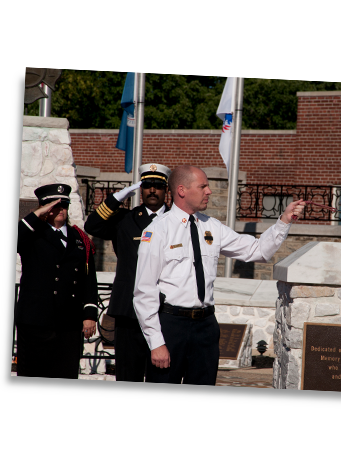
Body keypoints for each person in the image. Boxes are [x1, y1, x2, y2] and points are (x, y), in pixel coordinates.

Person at [133, 165, 305, 386]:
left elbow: (257, 250)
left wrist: (284, 221)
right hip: (170, 326)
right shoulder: (158, 230)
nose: (209, 192)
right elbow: (144, 291)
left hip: (205, 326)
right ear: (182, 190)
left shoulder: (211, 227)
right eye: (202, 186)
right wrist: (156, 342)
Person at [84, 163, 171, 383]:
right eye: (147, 185)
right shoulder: (124, 219)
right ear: (140, 190)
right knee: (127, 374)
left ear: (166, 190)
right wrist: (117, 198)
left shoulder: (177, 220)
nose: (153, 190)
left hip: (166, 310)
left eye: (158, 186)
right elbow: (92, 225)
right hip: (129, 309)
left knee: (162, 375)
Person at [16, 184, 98, 398]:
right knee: (33, 384)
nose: (60, 209)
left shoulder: (79, 238)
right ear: (43, 208)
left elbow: (88, 277)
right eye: (54, 205)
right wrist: (36, 216)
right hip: (36, 322)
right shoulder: (32, 234)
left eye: (64, 204)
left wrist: (89, 314)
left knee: (66, 381)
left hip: (68, 324)